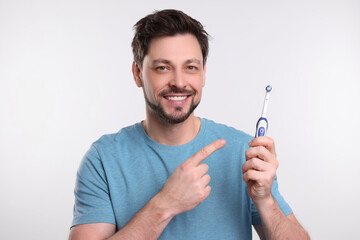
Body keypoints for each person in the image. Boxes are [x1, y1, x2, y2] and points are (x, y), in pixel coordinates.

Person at [69, 9, 309, 240]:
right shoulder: (103, 159)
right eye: (163, 67)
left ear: (204, 73)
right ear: (137, 73)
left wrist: (265, 201)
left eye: (191, 67)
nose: (179, 82)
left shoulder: (243, 152)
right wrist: (164, 205)